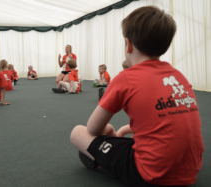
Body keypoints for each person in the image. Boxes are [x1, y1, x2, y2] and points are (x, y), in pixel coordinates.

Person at [70, 6, 204, 187]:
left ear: (128, 44)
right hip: (190, 172)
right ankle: (111, 150)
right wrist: (124, 131)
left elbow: (93, 129)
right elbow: (167, 121)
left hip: (150, 175)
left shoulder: (126, 78)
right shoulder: (178, 76)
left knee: (78, 132)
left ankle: (105, 164)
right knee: (110, 130)